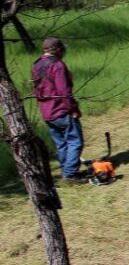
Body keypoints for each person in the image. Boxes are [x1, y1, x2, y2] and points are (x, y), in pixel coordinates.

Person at [32, 37, 86, 184]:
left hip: (46, 112)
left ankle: (65, 171)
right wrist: (73, 109)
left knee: (61, 144)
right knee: (75, 141)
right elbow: (63, 91)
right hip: (61, 110)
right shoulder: (57, 65)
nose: (63, 52)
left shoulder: (37, 64)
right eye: (62, 49)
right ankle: (70, 174)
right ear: (57, 50)